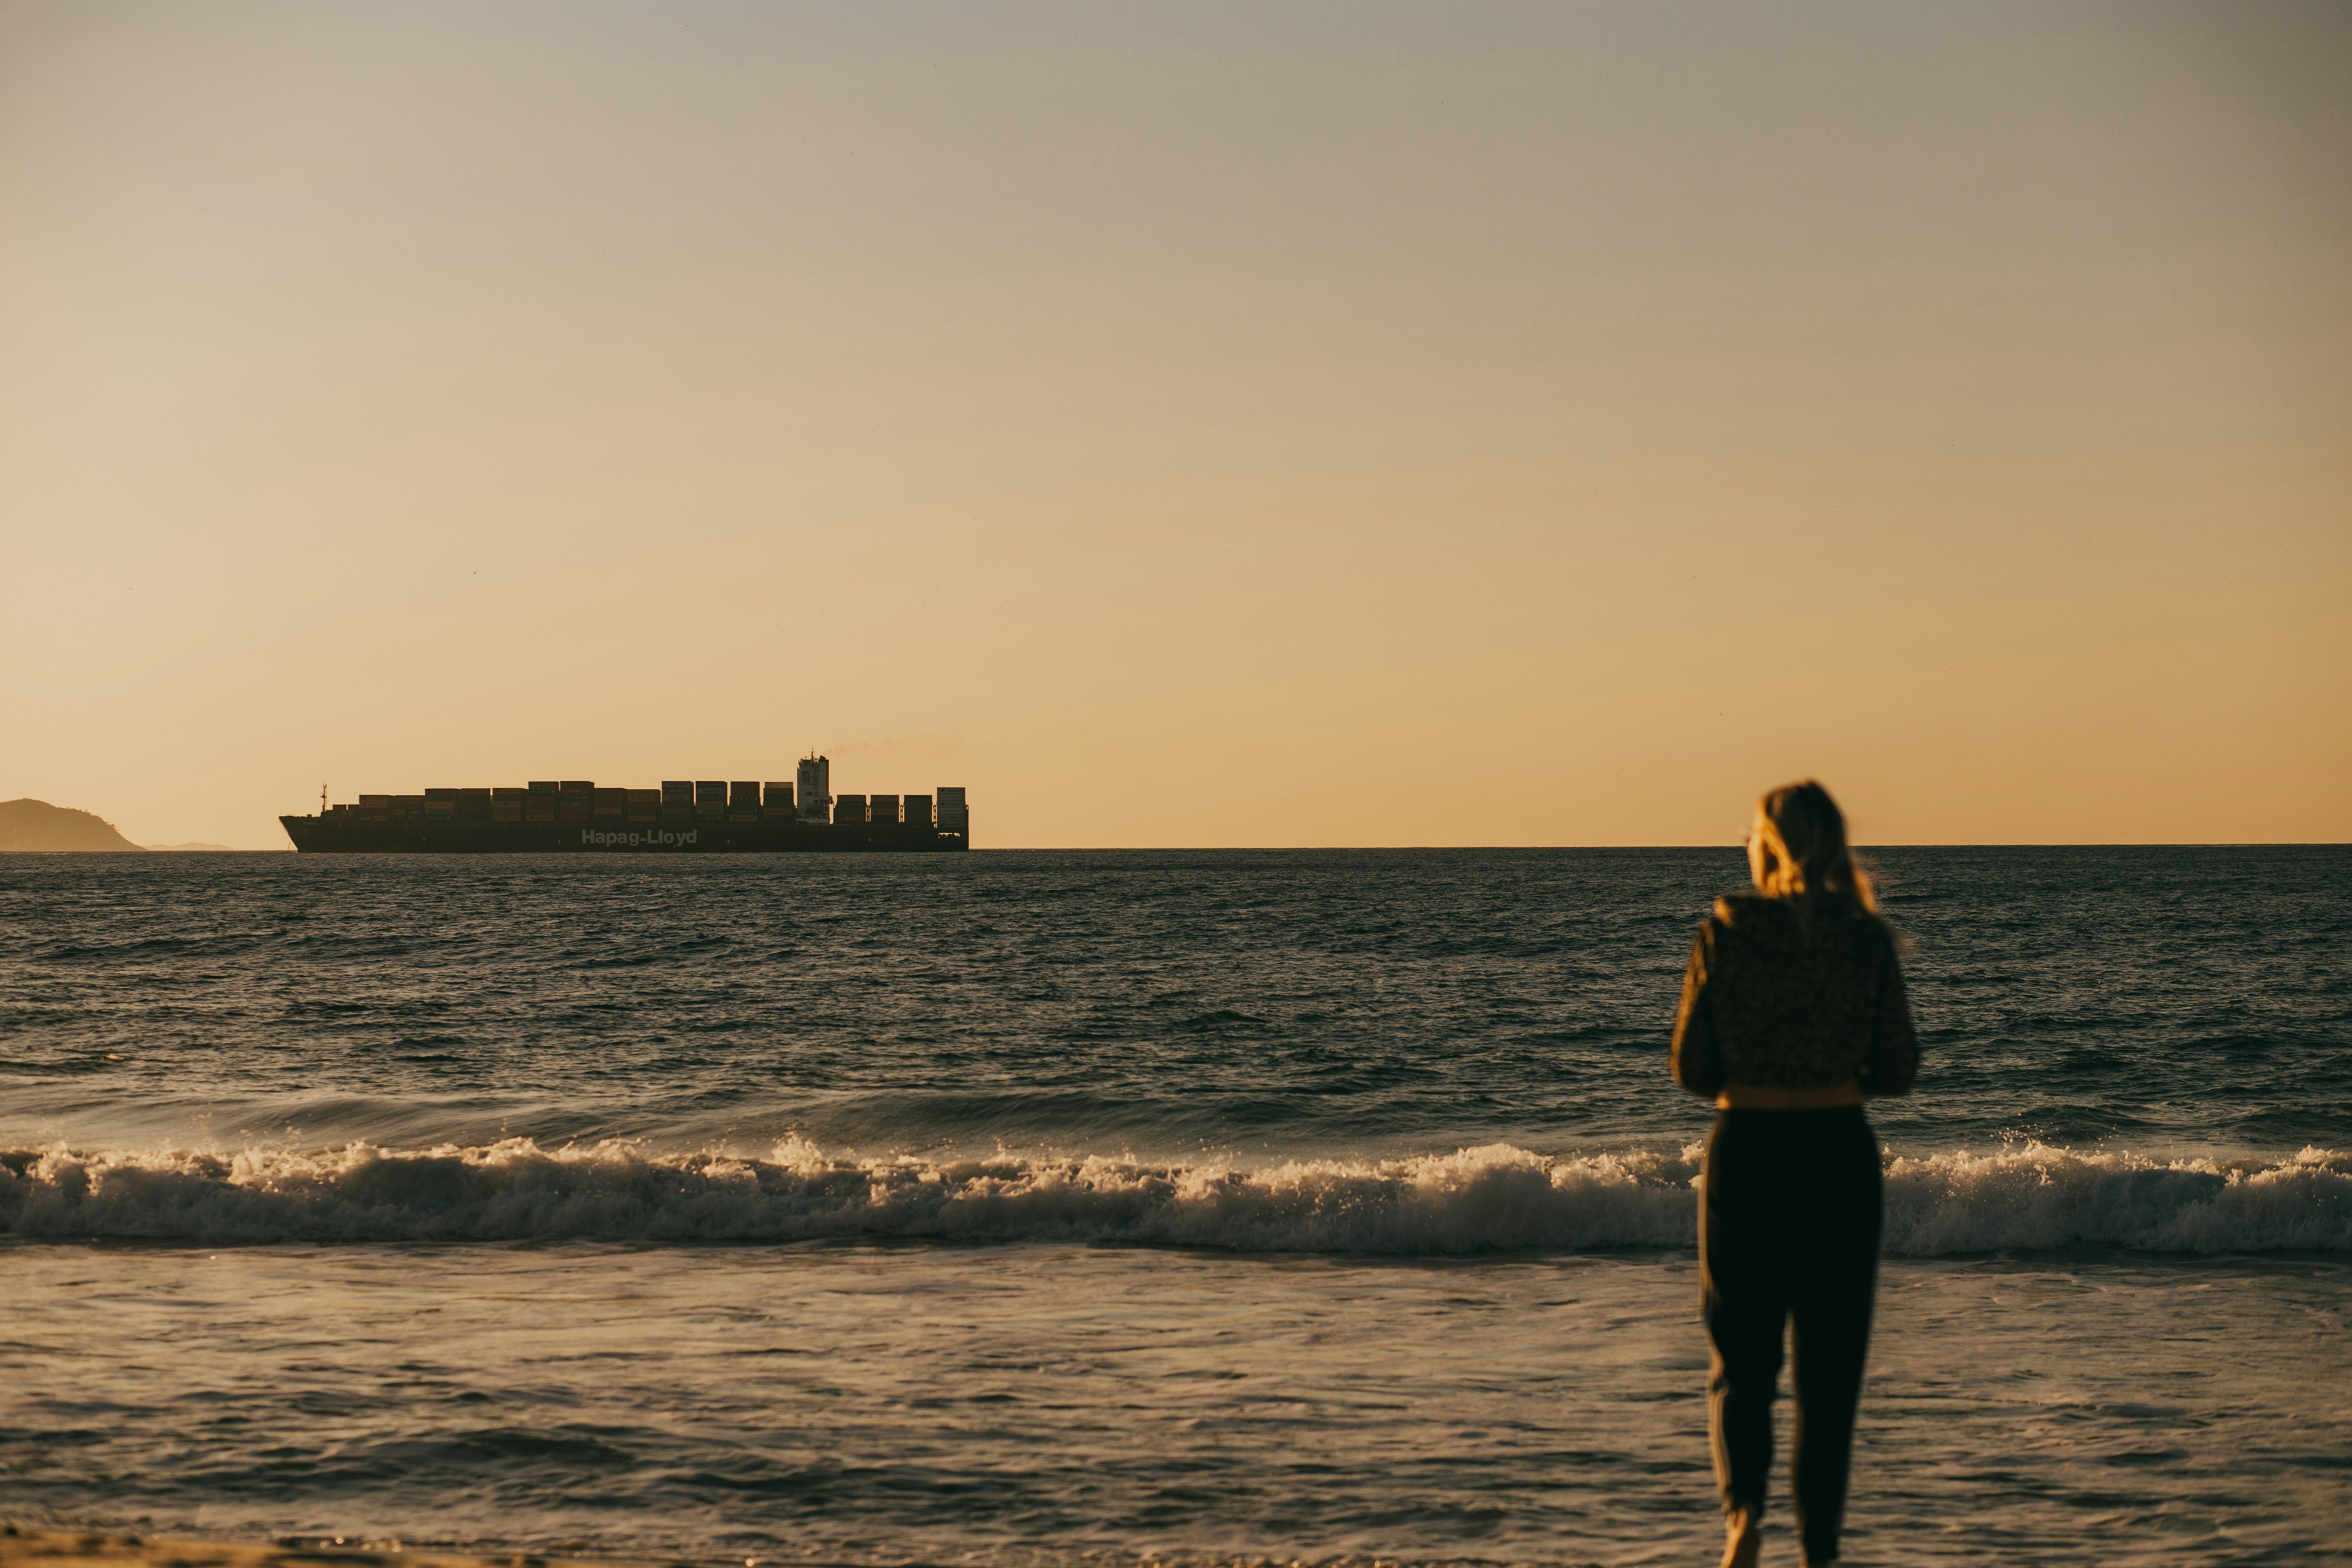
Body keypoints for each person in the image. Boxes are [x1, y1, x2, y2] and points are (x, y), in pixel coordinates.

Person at [1671, 780, 1917, 1568]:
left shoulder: (1727, 933)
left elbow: (1690, 1065)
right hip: (1837, 1152)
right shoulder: (1865, 939)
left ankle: (1743, 1519)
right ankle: (1820, 1552)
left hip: (1747, 1148)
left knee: (1740, 1358)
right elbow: (1899, 1068)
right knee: (1829, 1371)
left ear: (1768, 847)